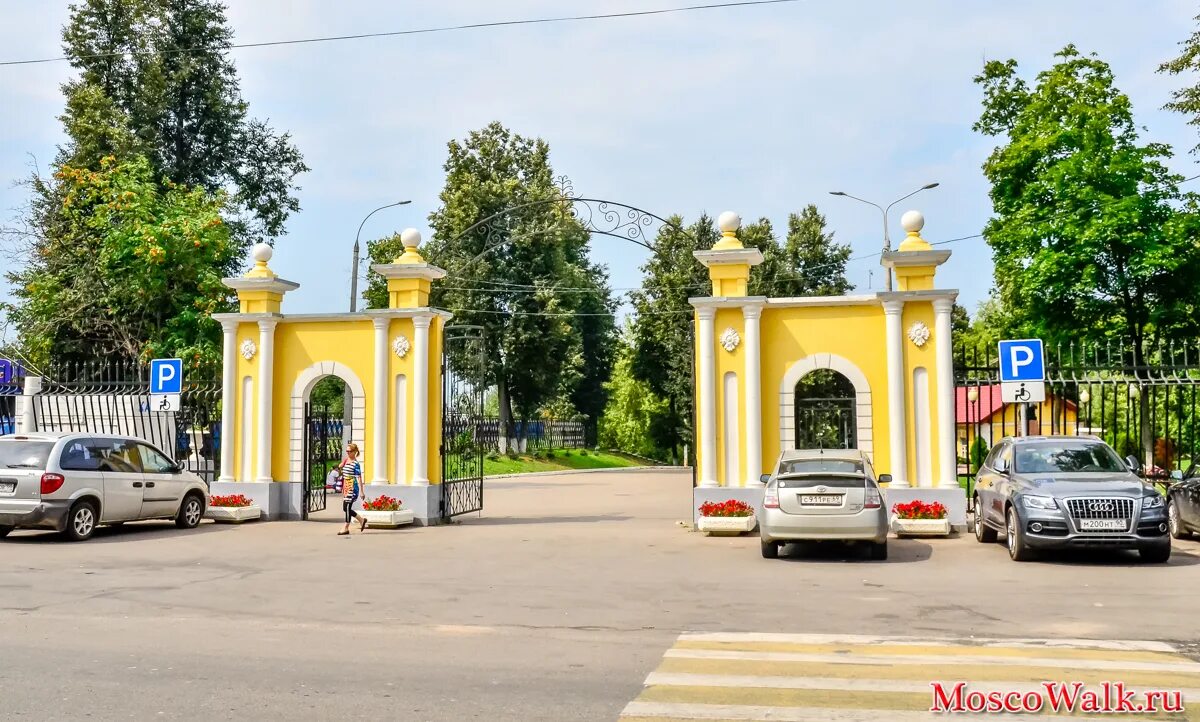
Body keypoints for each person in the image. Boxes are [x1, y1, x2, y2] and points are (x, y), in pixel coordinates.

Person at [338, 442, 368, 536]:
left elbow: (359, 478)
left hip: (352, 486)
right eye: (346, 451)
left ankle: (346, 528)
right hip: (346, 486)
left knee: (347, 507)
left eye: (349, 451)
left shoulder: (356, 464)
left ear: (354, 452)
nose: (347, 453)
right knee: (345, 508)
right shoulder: (347, 460)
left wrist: (361, 492)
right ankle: (361, 520)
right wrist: (343, 463)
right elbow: (340, 467)